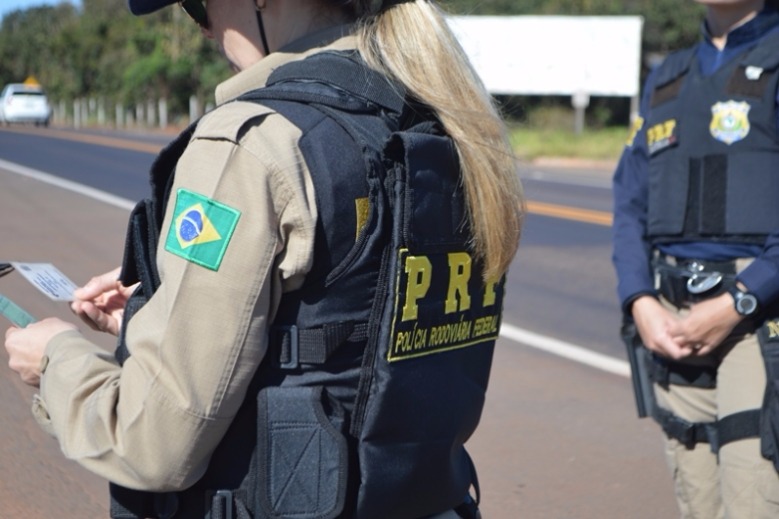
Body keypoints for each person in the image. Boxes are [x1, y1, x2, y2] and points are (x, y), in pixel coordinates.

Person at [3, 0, 524, 517]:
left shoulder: (251, 140)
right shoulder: (447, 124)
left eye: (196, 6)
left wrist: (55, 359)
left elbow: (154, 443)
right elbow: (359, 331)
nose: (204, 30)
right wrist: (164, 319)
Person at [612, 0, 779, 517]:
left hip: (760, 318)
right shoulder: (668, 74)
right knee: (698, 506)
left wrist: (741, 299)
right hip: (674, 323)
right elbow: (629, 199)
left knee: (752, 503)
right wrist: (639, 299)